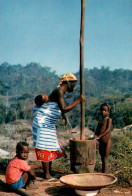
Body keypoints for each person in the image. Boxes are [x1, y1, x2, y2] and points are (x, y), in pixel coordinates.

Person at [32, 73, 85, 180]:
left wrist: (63, 115)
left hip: (48, 124)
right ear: (68, 83)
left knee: (50, 146)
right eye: (73, 85)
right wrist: (78, 101)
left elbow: (58, 107)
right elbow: (64, 108)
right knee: (45, 146)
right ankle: (47, 175)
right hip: (43, 123)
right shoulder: (60, 91)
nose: (74, 88)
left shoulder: (60, 91)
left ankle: (48, 174)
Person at [95, 103, 112, 173]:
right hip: (101, 142)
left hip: (107, 141)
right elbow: (96, 131)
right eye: (101, 110)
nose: (103, 112)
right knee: (102, 158)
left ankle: (105, 174)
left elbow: (107, 130)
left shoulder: (109, 120)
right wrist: (95, 137)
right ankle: (103, 173)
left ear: (108, 112)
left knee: (105, 158)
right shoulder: (100, 121)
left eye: (105, 110)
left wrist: (99, 136)